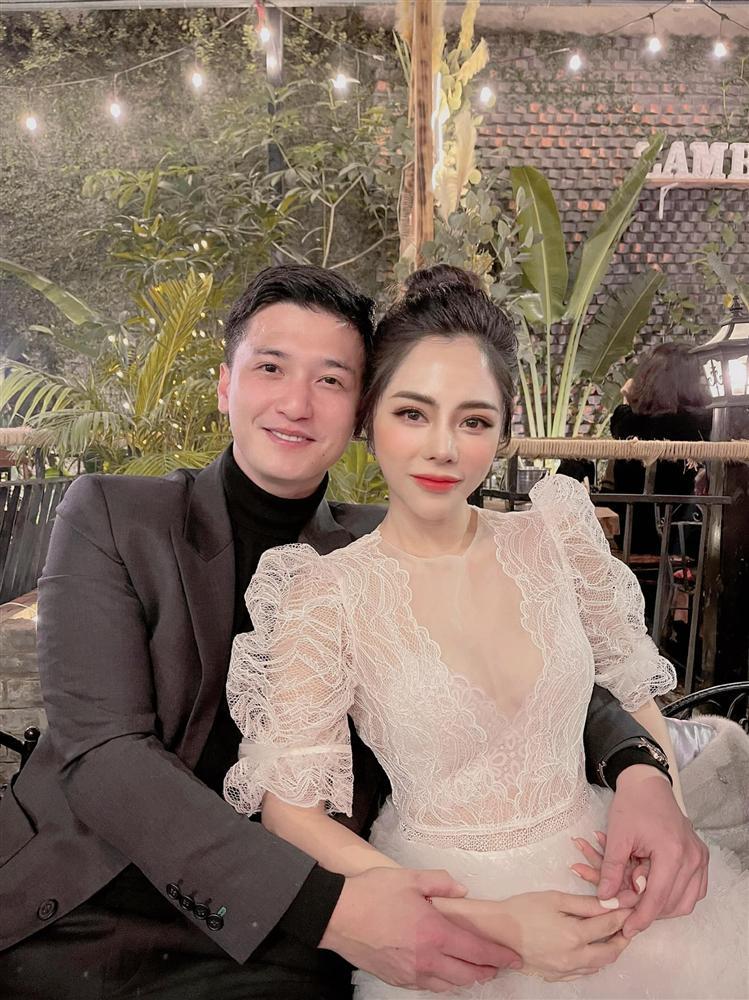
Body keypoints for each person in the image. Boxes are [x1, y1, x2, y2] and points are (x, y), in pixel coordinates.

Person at [0, 265, 708, 1000]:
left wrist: (641, 766)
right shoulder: (116, 515)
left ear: (357, 409)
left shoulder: (384, 543)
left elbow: (545, 673)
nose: (297, 403)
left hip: (292, 934)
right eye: (271, 368)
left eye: (331, 380)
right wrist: (343, 911)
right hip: (99, 901)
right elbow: (105, 754)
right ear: (225, 385)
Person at [223, 265, 748, 999]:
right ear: (369, 420)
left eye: (473, 421)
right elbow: (290, 812)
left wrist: (665, 805)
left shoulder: (557, 538)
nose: (443, 447)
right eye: (413, 413)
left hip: (609, 868)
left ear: (501, 432)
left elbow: (632, 694)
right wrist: (482, 920)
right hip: (451, 903)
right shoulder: (323, 594)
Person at [606, 342, 712, 555]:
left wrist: (629, 398)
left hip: (631, 534)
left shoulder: (626, 422)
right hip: (687, 536)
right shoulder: (702, 422)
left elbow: (631, 416)